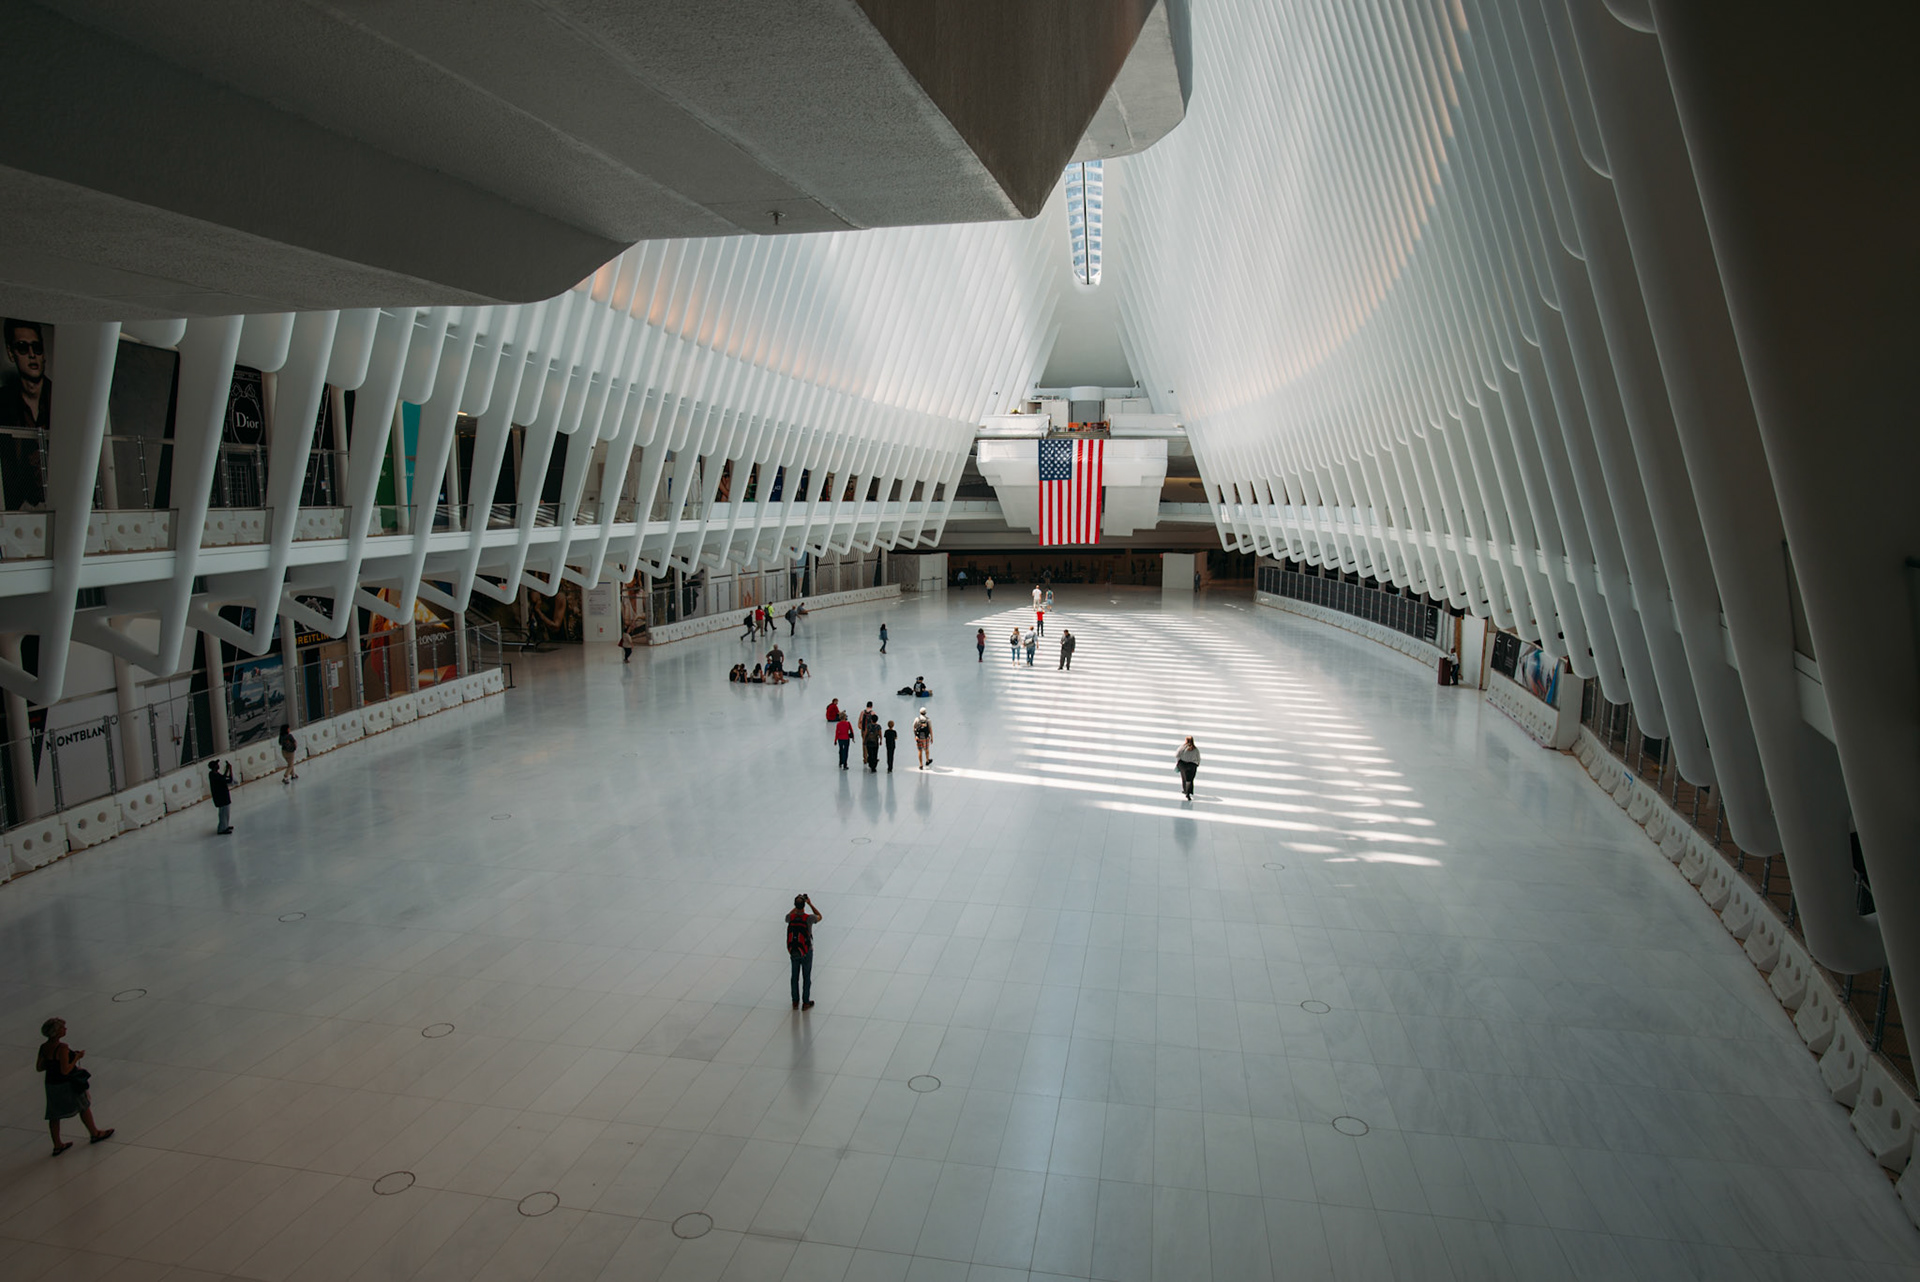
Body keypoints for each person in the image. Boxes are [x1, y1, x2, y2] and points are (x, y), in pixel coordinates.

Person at [36, 1018, 110, 1156]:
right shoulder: (62, 1047)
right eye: (63, 1028)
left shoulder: (44, 1047)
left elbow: (39, 1067)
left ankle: (57, 1145)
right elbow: (65, 1070)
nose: (65, 1029)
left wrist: (52, 1064)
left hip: (51, 1084)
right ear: (57, 1032)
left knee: (54, 1115)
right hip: (66, 1083)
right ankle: (94, 1132)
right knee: (83, 1106)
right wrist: (76, 1057)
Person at [786, 894, 822, 1010]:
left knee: (794, 977)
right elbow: (819, 916)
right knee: (806, 977)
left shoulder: (790, 918)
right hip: (807, 951)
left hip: (794, 951)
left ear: (795, 905)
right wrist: (809, 903)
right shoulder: (808, 918)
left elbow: (788, 916)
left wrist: (796, 907)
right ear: (804, 905)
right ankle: (806, 1002)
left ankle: (795, 1001)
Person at [208, 759, 235, 834]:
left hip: (222, 797)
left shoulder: (213, 774)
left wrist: (227, 770)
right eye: (217, 764)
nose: (218, 765)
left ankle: (225, 826)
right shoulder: (214, 776)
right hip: (221, 798)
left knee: (225, 812)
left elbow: (223, 777)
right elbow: (227, 780)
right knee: (223, 813)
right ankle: (222, 828)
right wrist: (230, 770)